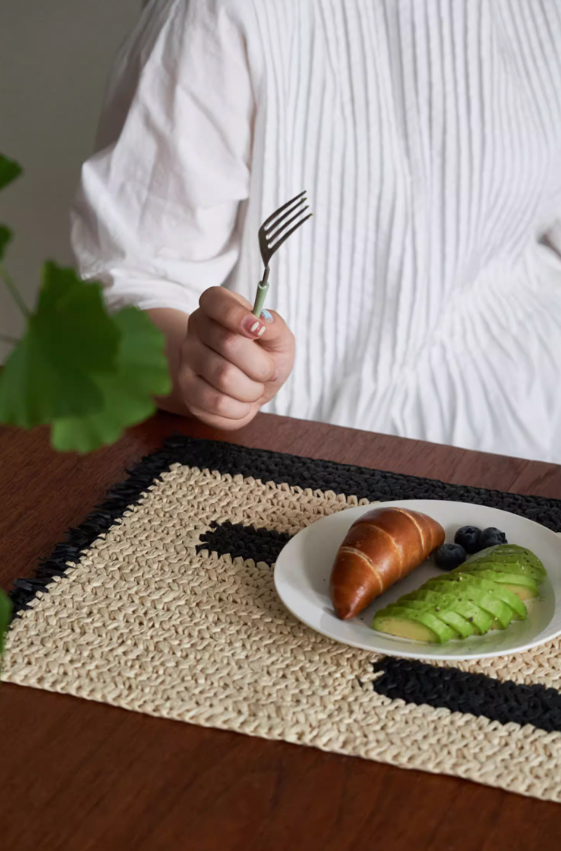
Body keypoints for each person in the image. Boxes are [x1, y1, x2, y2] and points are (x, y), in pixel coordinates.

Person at [71, 0, 561, 463]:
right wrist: (205, 371)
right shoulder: (219, 13)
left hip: (534, 419)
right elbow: (129, 282)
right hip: (304, 447)